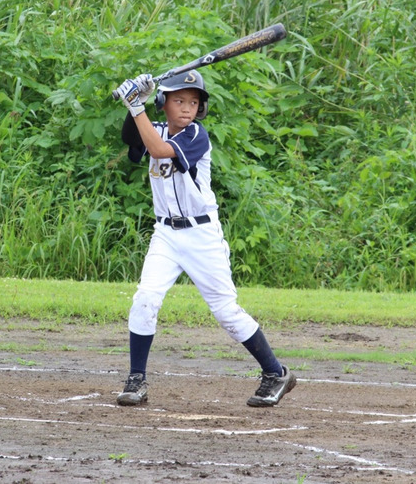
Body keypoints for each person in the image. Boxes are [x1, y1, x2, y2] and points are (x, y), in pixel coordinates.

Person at [113, 70, 296, 407]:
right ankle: (136, 379)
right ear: (162, 103)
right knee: (145, 298)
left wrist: (136, 105)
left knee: (226, 311)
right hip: (166, 234)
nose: (187, 108)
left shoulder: (197, 135)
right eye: (178, 100)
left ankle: (275, 372)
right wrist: (133, 102)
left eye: (193, 102)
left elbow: (157, 149)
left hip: (201, 236)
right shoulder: (155, 127)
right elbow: (132, 138)